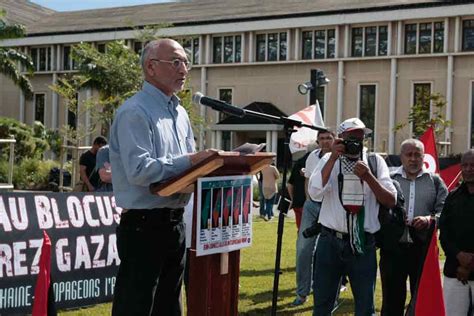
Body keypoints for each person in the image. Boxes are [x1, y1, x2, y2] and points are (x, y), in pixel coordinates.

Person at [109, 38, 216, 316]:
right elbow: (140, 170)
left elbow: (188, 167)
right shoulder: (135, 111)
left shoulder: (180, 112)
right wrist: (192, 160)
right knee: (136, 307)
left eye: (186, 63)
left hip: (175, 224)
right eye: (176, 62)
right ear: (151, 67)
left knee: (168, 307)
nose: (184, 69)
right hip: (144, 227)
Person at [308, 118, 397, 316]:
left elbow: (390, 200)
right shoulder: (328, 160)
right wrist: (332, 158)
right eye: (351, 138)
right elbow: (314, 193)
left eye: (360, 138)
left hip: (362, 244)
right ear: (340, 139)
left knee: (365, 307)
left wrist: (368, 177)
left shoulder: (374, 161)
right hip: (330, 241)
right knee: (322, 305)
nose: (356, 143)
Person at [380, 138, 448, 316]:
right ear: (401, 157)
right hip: (393, 249)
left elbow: (445, 212)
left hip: (422, 250)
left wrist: (429, 219)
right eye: (408, 154)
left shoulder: (435, 182)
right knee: (391, 301)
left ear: (423, 156)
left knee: (422, 300)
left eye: (417, 155)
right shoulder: (388, 179)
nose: (413, 159)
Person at [292, 130, 334, 306]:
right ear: (317, 141)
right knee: (303, 248)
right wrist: (308, 202)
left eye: (328, 138)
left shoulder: (339, 157)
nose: (325, 141)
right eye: (322, 139)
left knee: (329, 251)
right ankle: (302, 292)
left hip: (331, 206)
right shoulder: (311, 157)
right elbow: (307, 181)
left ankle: (330, 291)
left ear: (334, 139)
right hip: (312, 206)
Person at [439, 149, 474, 316]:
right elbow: (445, 233)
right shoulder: (452, 197)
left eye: (473, 165)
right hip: (455, 271)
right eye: (465, 165)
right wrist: (459, 256)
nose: (468, 169)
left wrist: (470, 263)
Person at [287, 155, 308, 230]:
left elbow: (290, 184)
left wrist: (293, 199)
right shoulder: (318, 160)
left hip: (297, 201)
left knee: (300, 228)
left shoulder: (298, 163)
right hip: (309, 202)